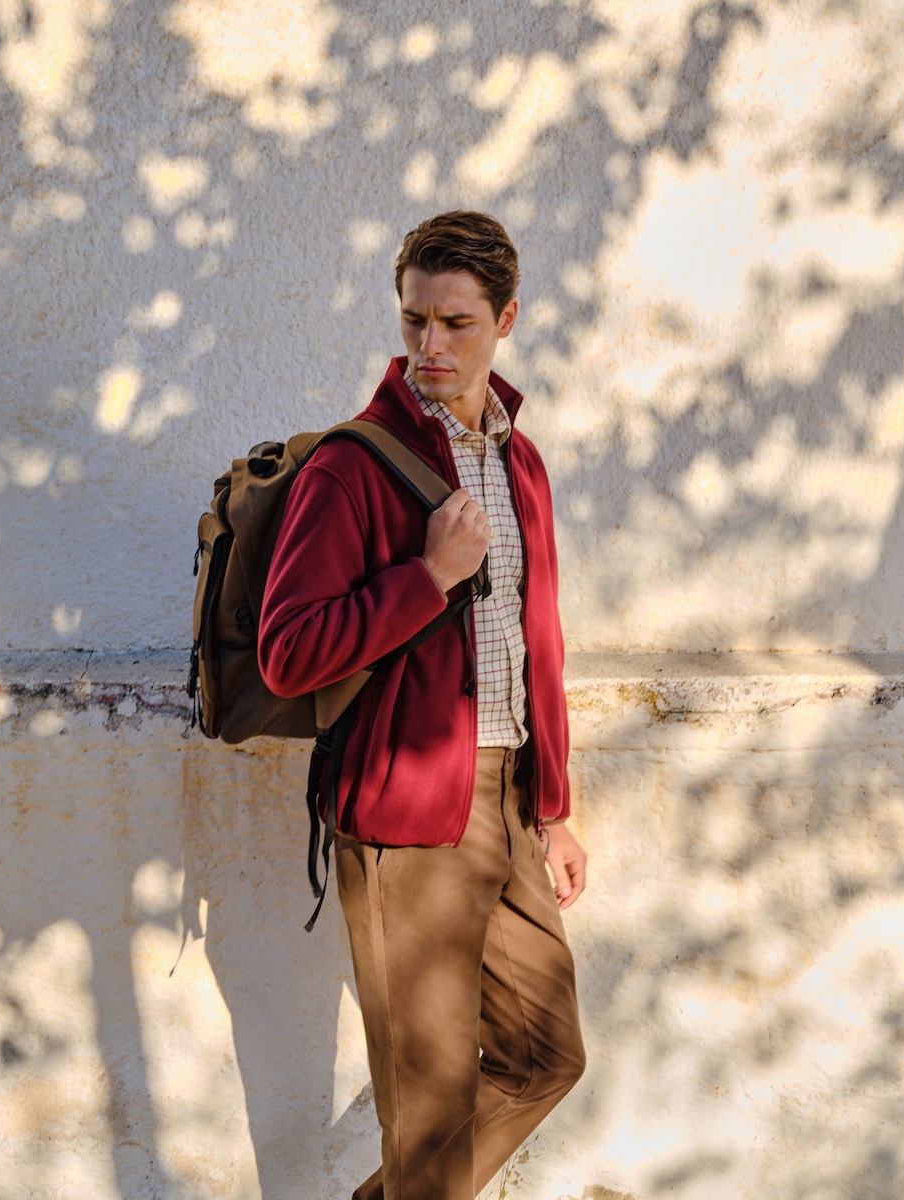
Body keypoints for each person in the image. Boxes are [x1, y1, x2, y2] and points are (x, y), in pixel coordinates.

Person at [258, 210, 586, 1200]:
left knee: (545, 1056)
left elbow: (537, 640)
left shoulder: (521, 463)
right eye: (414, 321)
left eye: (456, 323)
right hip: (406, 814)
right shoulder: (352, 467)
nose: (430, 346)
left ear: (506, 320)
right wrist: (429, 578)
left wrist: (554, 806)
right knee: (432, 1111)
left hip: (507, 799)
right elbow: (288, 653)